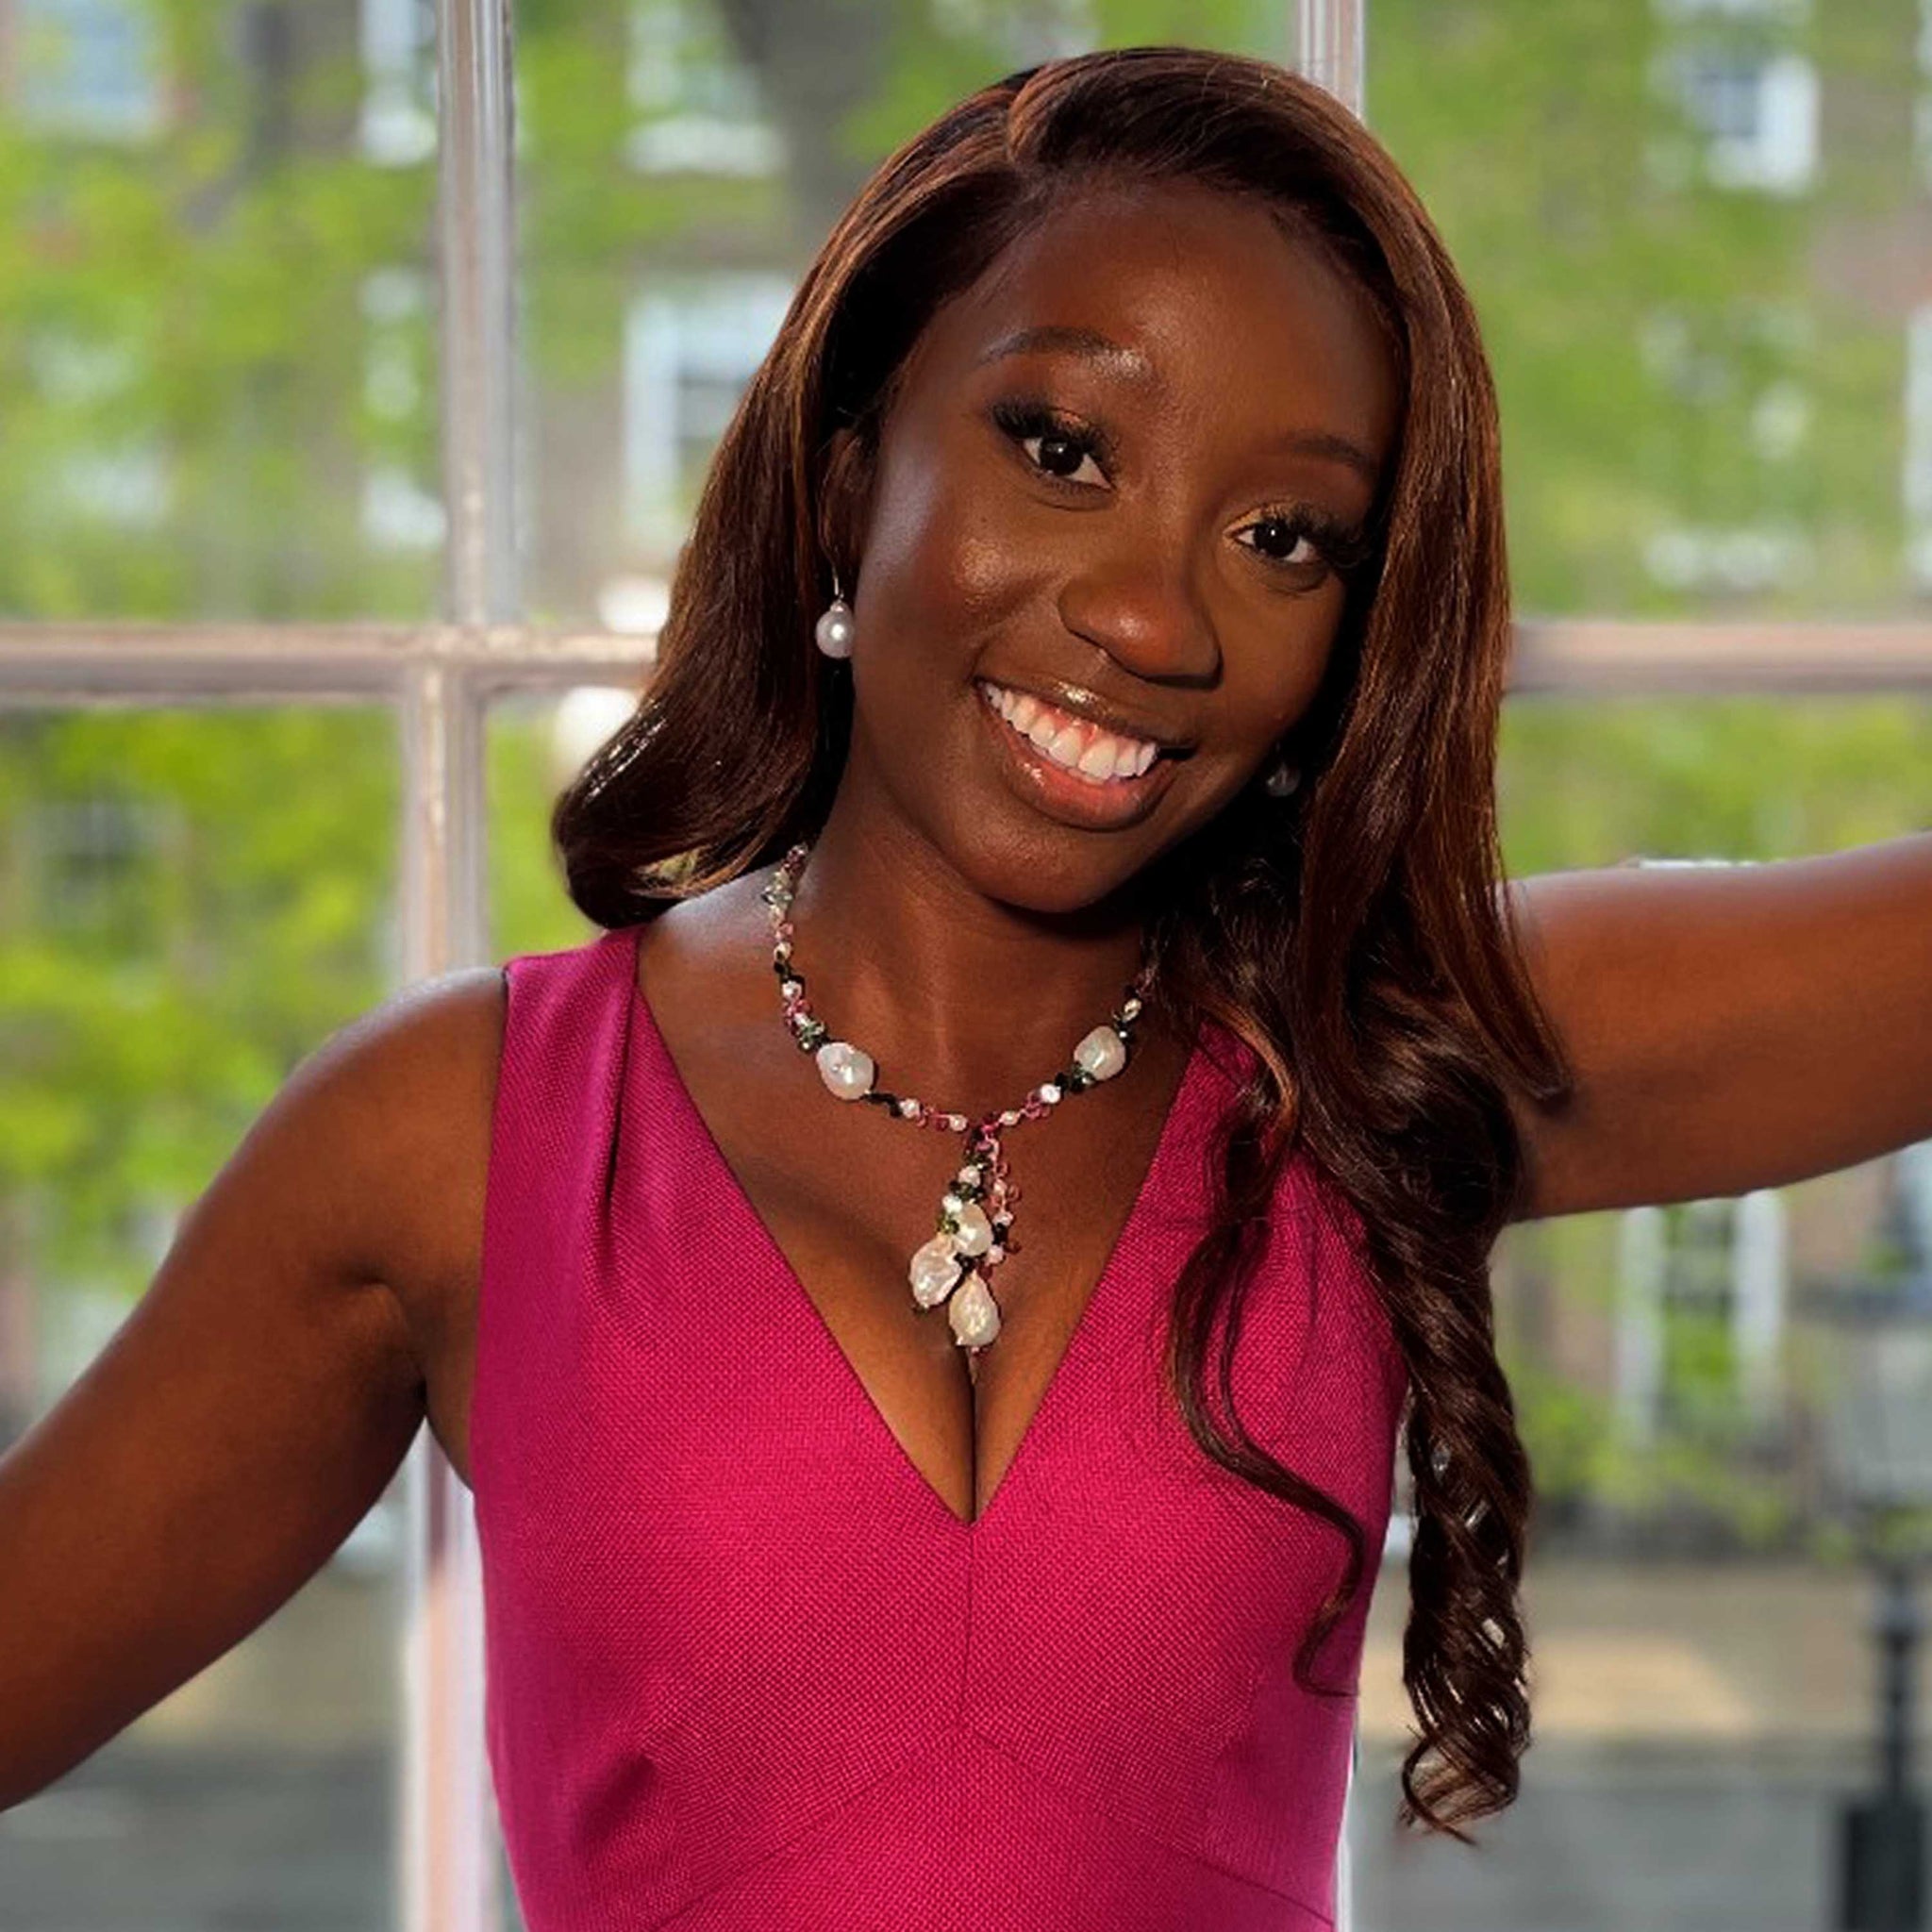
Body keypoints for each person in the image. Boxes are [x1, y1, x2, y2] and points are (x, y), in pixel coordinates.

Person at [3, 41, 1929, 1931]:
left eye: (1282, 539)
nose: (1152, 617)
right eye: (1060, 449)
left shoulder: (1369, 1065)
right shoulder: (458, 1137)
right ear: (851, 478)